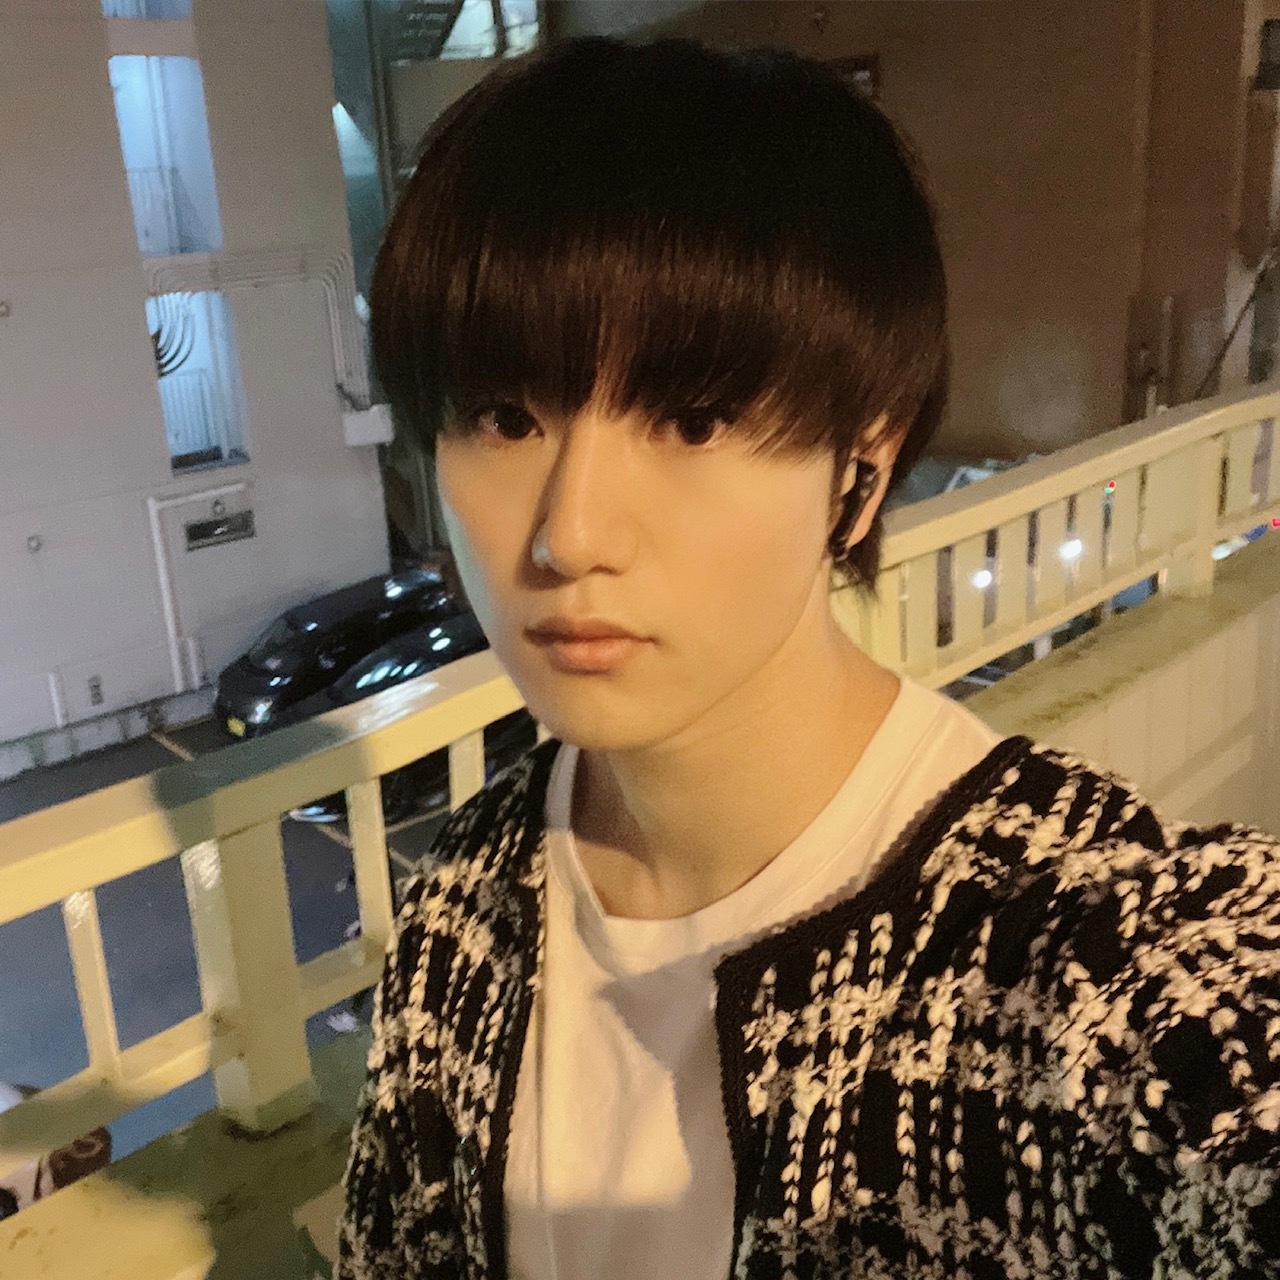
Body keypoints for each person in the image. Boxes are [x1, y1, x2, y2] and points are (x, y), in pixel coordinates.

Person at [337, 36, 1280, 1280]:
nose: (569, 534)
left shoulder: (1052, 945)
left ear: (858, 473)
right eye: (505, 416)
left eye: (692, 418)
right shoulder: (464, 902)